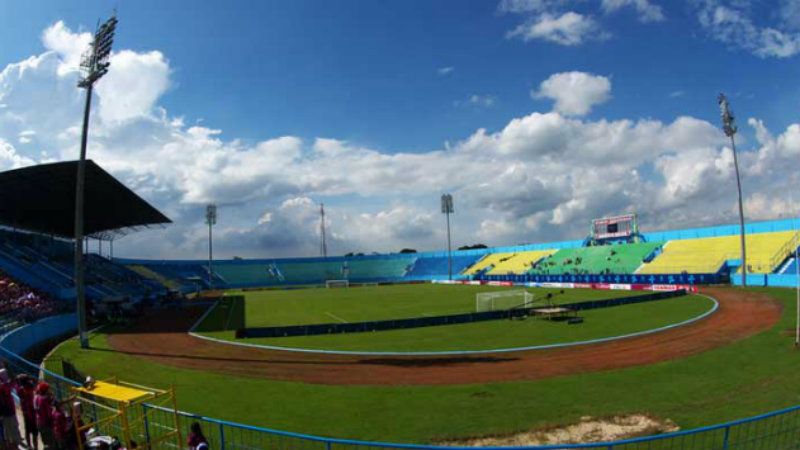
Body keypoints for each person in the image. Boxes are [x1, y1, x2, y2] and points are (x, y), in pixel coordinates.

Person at [16, 374, 38, 450]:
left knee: (28, 431)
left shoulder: (21, 389)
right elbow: (35, 384)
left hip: (28, 412)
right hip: (30, 412)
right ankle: (34, 447)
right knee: (33, 431)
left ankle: (31, 447)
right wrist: (29, 377)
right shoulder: (25, 388)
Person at [0, 369, 20, 450]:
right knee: (10, 435)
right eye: (4, 374)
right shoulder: (2, 386)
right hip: (7, 414)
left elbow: (14, 381)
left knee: (13, 432)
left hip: (11, 412)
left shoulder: (6, 384)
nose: (6, 375)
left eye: (6, 374)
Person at [35, 381, 55, 449]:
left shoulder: (37, 397)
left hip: (39, 423)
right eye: (48, 389)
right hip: (46, 424)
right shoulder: (44, 399)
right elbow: (50, 414)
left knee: (45, 443)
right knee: (50, 444)